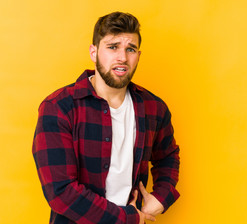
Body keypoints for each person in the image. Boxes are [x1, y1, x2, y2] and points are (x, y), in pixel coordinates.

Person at [32, 11, 180, 224]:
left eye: (130, 49)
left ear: (138, 55)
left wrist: (162, 197)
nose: (122, 57)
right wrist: (127, 218)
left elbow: (168, 155)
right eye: (113, 47)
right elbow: (61, 192)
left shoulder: (153, 108)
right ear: (94, 52)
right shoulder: (58, 107)